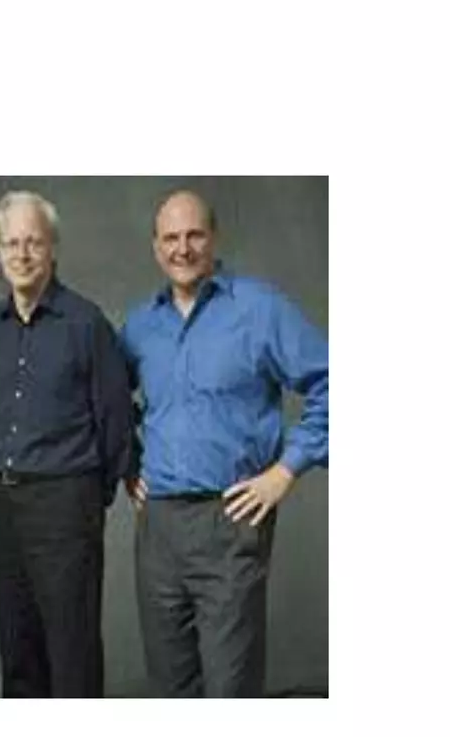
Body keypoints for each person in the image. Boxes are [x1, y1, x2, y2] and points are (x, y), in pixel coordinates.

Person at [121, 190, 328, 697]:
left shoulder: (258, 309)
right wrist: (128, 466)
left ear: (213, 239)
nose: (183, 248)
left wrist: (285, 471)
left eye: (194, 235)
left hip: (231, 522)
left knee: (229, 688)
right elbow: (106, 405)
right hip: (160, 529)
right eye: (170, 238)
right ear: (155, 247)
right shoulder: (139, 327)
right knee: (171, 688)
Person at [0, 190, 133, 696]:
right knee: (17, 647)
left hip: (67, 503)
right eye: (11, 243)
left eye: (33, 243)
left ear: (52, 249)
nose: (21, 254)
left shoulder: (86, 324)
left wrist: (87, 498)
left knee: (72, 648)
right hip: (5, 505)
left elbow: (116, 422)